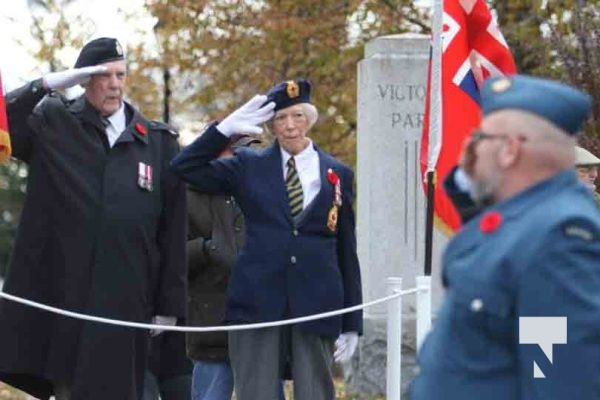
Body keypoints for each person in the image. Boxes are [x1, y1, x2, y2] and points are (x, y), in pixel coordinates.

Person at [0, 37, 187, 400]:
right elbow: (5, 122)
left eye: (120, 74)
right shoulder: (53, 123)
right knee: (72, 389)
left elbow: (172, 233)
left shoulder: (158, 142)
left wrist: (169, 307)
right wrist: (47, 84)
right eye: (104, 76)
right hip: (68, 299)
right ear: (84, 80)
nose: (115, 84)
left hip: (128, 304)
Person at [170, 79, 363, 400]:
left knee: (315, 392)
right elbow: (183, 167)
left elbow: (345, 248)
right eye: (280, 120)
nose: (289, 126)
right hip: (258, 301)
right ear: (271, 126)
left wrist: (352, 320)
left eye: (297, 116)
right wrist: (224, 130)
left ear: (310, 119)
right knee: (256, 393)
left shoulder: (336, 173)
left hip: (315, 301)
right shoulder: (249, 165)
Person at [410, 75, 600, 400]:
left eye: (481, 137)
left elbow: (553, 375)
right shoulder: (526, 216)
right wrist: (467, 182)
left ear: (510, 149)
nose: (470, 147)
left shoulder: (558, 237)